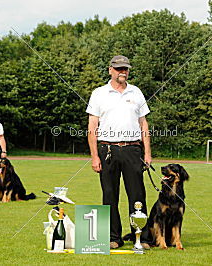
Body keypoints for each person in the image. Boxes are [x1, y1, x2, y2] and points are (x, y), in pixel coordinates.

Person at [87, 55, 152, 249]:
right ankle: (113, 237)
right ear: (110, 70)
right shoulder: (99, 93)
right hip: (107, 149)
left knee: (137, 195)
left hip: (133, 149)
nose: (122, 71)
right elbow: (92, 126)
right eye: (118, 68)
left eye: (125, 68)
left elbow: (143, 124)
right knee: (109, 195)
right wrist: (94, 156)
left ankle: (141, 237)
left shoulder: (136, 92)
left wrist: (147, 153)